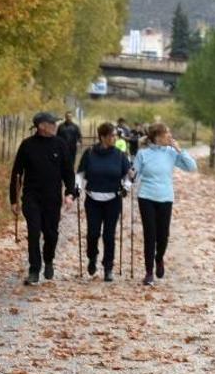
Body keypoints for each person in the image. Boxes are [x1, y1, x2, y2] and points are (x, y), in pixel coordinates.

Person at [10, 112, 79, 285]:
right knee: (34, 233)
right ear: (42, 126)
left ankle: (48, 259)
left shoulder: (60, 145)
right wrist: (13, 199)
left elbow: (68, 172)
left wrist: (69, 193)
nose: (56, 126)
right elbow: (17, 173)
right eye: (52, 123)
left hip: (52, 198)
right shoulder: (27, 145)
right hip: (32, 196)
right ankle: (34, 269)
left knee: (51, 234)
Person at [132, 122, 198, 286]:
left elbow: (192, 167)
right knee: (150, 234)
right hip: (146, 196)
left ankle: (159, 258)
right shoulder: (143, 154)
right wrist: (129, 178)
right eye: (166, 134)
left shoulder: (171, 153)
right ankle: (148, 273)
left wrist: (179, 150)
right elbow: (134, 174)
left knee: (163, 235)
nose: (170, 136)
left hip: (165, 197)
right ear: (157, 137)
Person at [76, 122, 131, 281]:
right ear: (103, 137)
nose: (115, 138)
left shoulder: (120, 155)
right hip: (93, 198)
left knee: (109, 234)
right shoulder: (90, 153)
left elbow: (128, 175)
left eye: (115, 135)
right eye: (112, 135)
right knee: (93, 233)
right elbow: (80, 173)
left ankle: (108, 267)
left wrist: (126, 186)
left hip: (113, 199)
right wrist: (77, 188)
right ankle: (92, 257)